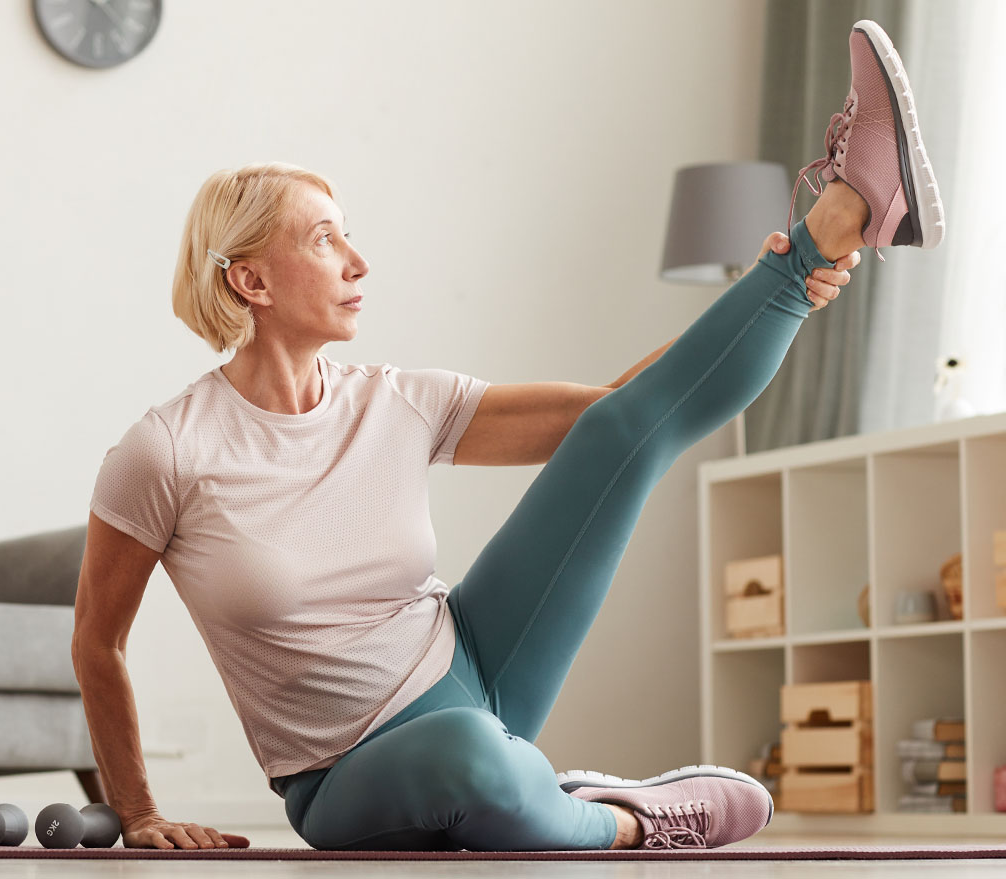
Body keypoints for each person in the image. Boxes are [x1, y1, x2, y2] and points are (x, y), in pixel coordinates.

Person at [72, 19, 942, 852]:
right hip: (347, 774)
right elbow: (98, 641)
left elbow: (618, 406)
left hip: (480, 660)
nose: (358, 262)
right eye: (326, 238)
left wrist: (771, 286)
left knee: (613, 434)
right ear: (251, 279)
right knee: (474, 763)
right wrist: (138, 808)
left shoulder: (394, 399)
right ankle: (627, 819)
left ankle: (835, 224)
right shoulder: (167, 451)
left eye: (351, 235)